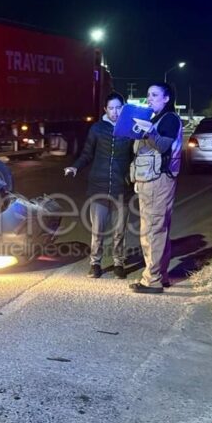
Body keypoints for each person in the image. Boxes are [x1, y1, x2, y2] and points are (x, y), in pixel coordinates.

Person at [64, 92, 134, 279]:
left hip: (122, 187)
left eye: (118, 107)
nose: (115, 112)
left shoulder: (130, 129)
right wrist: (76, 166)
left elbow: (136, 155)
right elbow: (87, 153)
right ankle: (95, 263)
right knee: (98, 231)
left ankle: (119, 262)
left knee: (120, 231)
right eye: (111, 108)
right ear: (105, 109)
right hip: (99, 187)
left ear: (124, 108)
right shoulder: (97, 128)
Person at [128, 82, 183, 294]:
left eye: (154, 95)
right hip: (151, 179)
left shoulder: (168, 119)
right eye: (148, 94)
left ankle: (152, 281)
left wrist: (149, 131)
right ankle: (161, 275)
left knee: (152, 229)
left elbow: (162, 146)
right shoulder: (157, 118)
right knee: (158, 229)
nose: (149, 98)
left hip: (157, 180)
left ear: (167, 98)